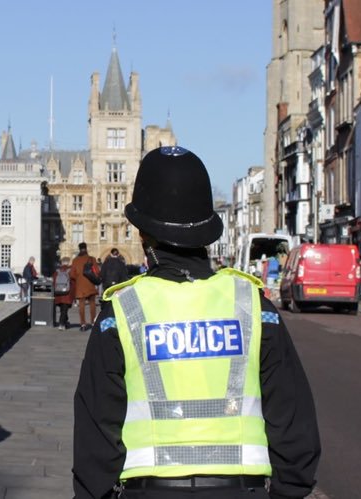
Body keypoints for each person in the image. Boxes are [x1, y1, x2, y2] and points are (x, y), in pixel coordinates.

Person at [74, 146, 320, 499]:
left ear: (144, 234)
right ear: (209, 232)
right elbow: (294, 421)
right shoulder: (252, 305)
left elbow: (95, 435)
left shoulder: (123, 312)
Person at [70, 242, 101, 332]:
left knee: (81, 305)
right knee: (92, 304)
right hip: (90, 284)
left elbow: (72, 274)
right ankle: (93, 322)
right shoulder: (92, 259)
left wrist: (78, 278)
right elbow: (97, 272)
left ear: (79, 249)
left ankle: (83, 324)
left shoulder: (75, 260)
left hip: (80, 286)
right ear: (86, 249)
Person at [53, 256, 76, 330]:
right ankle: (61, 324)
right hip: (67, 294)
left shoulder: (57, 271)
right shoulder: (70, 271)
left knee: (62, 309)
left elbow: (54, 282)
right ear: (68, 262)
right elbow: (73, 282)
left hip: (58, 293)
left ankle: (65, 322)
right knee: (64, 310)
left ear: (62, 263)